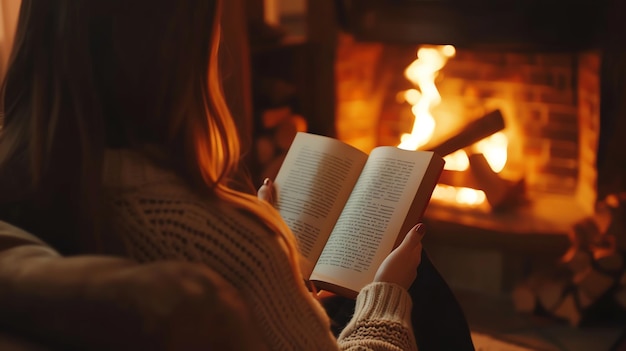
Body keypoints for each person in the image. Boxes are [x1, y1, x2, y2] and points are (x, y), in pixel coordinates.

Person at [0, 0, 474, 350]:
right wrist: (385, 297)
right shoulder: (232, 245)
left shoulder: (22, 180)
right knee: (415, 282)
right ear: (178, 60)